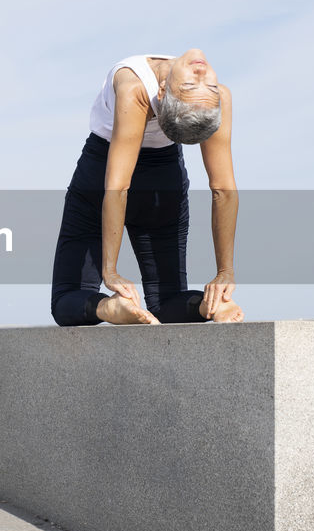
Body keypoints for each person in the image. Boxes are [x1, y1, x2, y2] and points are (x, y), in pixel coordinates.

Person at [50, 49, 244, 326]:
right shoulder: (209, 95)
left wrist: (224, 272)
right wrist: (225, 270)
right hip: (156, 183)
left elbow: (118, 185)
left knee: (66, 297)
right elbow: (222, 189)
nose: (201, 74)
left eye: (199, 85)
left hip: (102, 177)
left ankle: (111, 308)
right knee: (167, 297)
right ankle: (207, 307)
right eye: (196, 84)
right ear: (162, 93)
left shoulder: (140, 89)